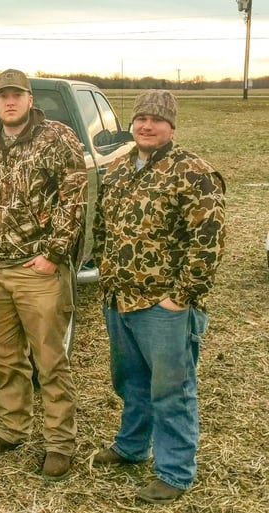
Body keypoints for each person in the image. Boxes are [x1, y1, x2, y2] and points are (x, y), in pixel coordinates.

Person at [92, 90, 226, 504]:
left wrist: (180, 297)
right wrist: (107, 276)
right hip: (120, 298)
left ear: (172, 126)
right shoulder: (117, 169)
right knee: (130, 381)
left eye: (157, 119)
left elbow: (209, 241)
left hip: (163, 305)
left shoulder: (193, 172)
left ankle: (175, 471)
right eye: (141, 118)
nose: (147, 125)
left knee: (171, 390)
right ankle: (132, 446)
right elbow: (101, 228)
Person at [0, 69, 86, 481]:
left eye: (17, 95)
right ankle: (12, 429)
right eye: (3, 96)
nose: (9, 102)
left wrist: (53, 254)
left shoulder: (56, 138)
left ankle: (59, 444)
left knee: (50, 359)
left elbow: (74, 197)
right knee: (4, 358)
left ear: (30, 99)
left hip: (38, 271)